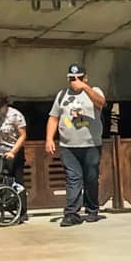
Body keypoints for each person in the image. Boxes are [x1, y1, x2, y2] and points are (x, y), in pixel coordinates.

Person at [45, 64, 106, 226]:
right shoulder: (62, 95)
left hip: (91, 144)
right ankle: (71, 213)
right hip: (68, 146)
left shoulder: (95, 91)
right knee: (73, 178)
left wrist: (85, 88)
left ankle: (92, 209)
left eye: (78, 77)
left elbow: (101, 103)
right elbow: (53, 117)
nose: (75, 81)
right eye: (72, 78)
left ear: (85, 78)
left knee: (91, 177)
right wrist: (49, 138)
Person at [0, 92, 28, 220]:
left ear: (5, 105)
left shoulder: (15, 115)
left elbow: (22, 135)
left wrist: (13, 152)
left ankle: (22, 212)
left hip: (13, 150)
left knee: (16, 181)